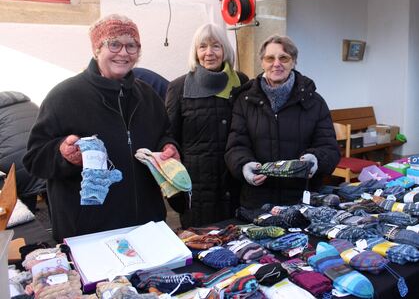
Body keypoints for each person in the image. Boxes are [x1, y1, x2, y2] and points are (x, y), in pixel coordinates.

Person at [23, 14, 181, 243]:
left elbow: (164, 134)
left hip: (147, 225)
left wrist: (169, 147)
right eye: (114, 44)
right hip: (89, 232)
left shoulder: (148, 96)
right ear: (97, 49)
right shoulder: (64, 96)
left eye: (131, 46)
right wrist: (63, 154)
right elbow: (34, 158)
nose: (124, 53)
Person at [225, 35, 340, 209]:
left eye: (284, 58)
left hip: (302, 201)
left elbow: (329, 147)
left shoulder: (314, 102)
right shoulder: (245, 100)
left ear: (293, 62)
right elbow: (236, 145)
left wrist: (315, 159)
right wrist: (244, 165)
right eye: (270, 58)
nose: (276, 63)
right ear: (262, 63)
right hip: (257, 201)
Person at [165, 23, 248, 228]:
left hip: (235, 183)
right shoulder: (178, 88)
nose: (209, 53)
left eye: (216, 46)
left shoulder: (241, 82)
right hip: (197, 188)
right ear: (196, 51)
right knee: (201, 247)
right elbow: (169, 137)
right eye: (203, 47)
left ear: (225, 50)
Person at [0, 91, 46, 213]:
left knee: (25, 209)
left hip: (17, 165)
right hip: (44, 157)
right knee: (49, 193)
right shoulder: (30, 104)